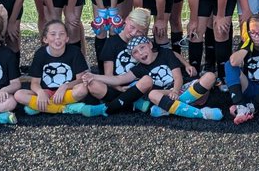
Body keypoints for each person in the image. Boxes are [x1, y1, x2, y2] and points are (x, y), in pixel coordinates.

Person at [95, 36, 223, 120]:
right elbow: (118, 80)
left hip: (182, 88)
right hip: (165, 94)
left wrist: (175, 91)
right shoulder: (139, 68)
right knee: (153, 94)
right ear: (134, 57)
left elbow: (178, 77)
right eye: (135, 52)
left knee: (210, 76)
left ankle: (167, 109)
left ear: (150, 45)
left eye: (142, 47)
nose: (140, 53)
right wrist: (94, 76)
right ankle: (201, 114)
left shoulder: (165, 54)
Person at [15, 19, 108, 116]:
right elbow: (34, 83)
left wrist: (65, 86)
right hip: (47, 92)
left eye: (62, 34)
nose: (58, 38)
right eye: (53, 34)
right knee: (19, 95)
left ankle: (41, 107)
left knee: (82, 89)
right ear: (45, 39)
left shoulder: (75, 52)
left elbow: (80, 79)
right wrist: (40, 92)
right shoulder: (40, 54)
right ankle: (68, 108)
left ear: (67, 38)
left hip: (67, 92)